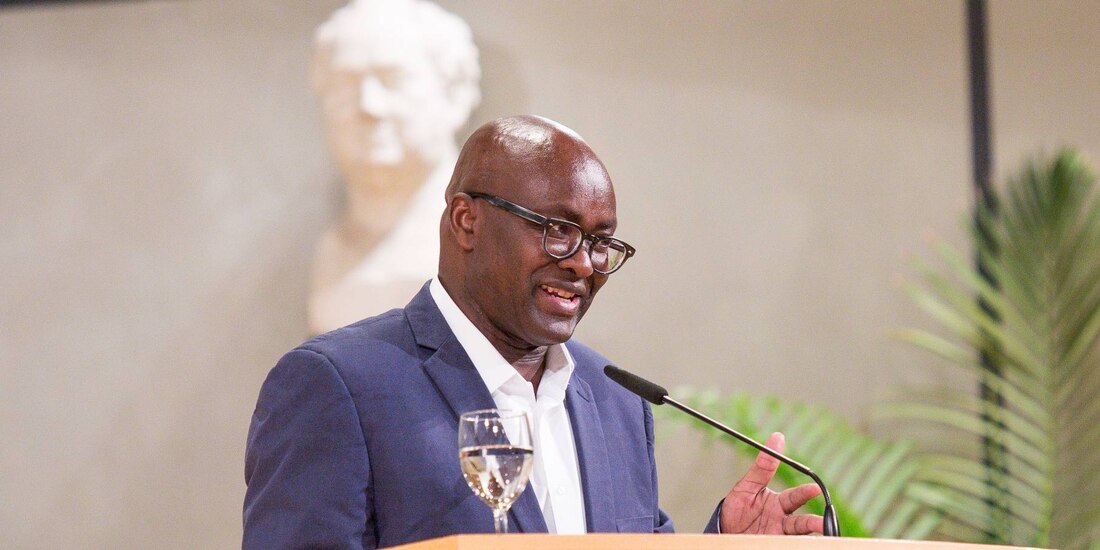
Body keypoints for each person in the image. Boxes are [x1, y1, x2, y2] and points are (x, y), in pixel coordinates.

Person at [244, 115, 824, 549]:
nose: (583, 263)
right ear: (466, 221)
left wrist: (724, 540)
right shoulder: (338, 386)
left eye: (600, 242)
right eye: (557, 230)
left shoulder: (617, 398)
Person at [309, 0, 481, 334]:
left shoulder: (483, 249)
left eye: (393, 79)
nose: (368, 106)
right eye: (347, 83)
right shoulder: (330, 250)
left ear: (455, 95)